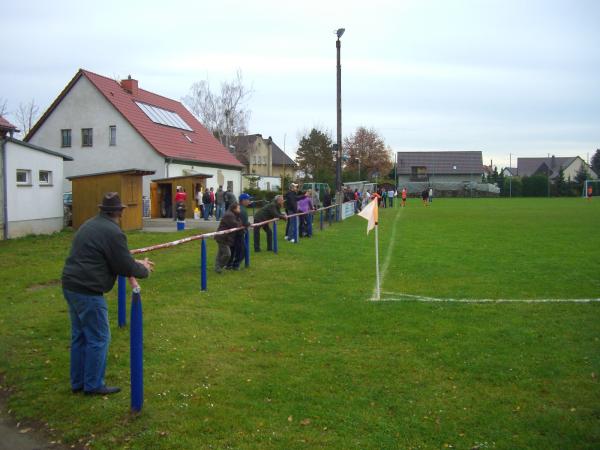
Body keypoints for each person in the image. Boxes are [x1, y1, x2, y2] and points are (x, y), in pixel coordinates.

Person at [62, 193, 154, 396]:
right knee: (99, 337)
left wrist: (134, 263)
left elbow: (114, 259)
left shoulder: (90, 225)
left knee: (80, 336)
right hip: (87, 289)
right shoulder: (113, 232)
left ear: (102, 209)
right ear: (120, 211)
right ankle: (93, 384)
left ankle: (78, 382)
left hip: (71, 284)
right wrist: (144, 269)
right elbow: (122, 264)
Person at [215, 203, 242, 273]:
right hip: (222, 237)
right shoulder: (229, 215)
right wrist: (241, 223)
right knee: (227, 254)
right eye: (238, 208)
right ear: (234, 209)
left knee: (221, 253)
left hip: (225, 237)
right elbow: (235, 224)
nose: (240, 210)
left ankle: (218, 267)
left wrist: (240, 220)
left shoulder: (233, 214)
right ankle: (219, 267)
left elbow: (238, 223)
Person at [228, 193, 251, 270]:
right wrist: (248, 224)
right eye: (248, 199)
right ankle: (235, 265)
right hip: (238, 233)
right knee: (242, 250)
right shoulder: (242, 210)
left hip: (232, 232)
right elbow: (244, 223)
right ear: (243, 200)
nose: (249, 201)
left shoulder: (237, 207)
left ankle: (229, 264)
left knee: (233, 249)